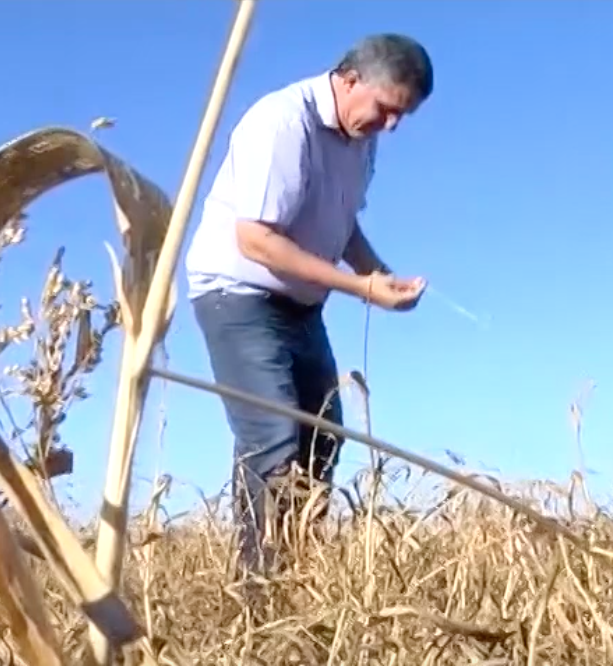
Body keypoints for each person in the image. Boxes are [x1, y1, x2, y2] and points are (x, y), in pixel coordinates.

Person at [184, 33, 434, 574]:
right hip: (239, 296)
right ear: (349, 80)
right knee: (274, 441)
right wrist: (359, 289)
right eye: (387, 109)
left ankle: (294, 573)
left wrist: (378, 274)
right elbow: (255, 240)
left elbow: (343, 227)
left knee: (322, 435)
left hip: (301, 306)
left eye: (402, 117)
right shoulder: (280, 123)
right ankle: (260, 594)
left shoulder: (361, 141)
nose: (390, 126)